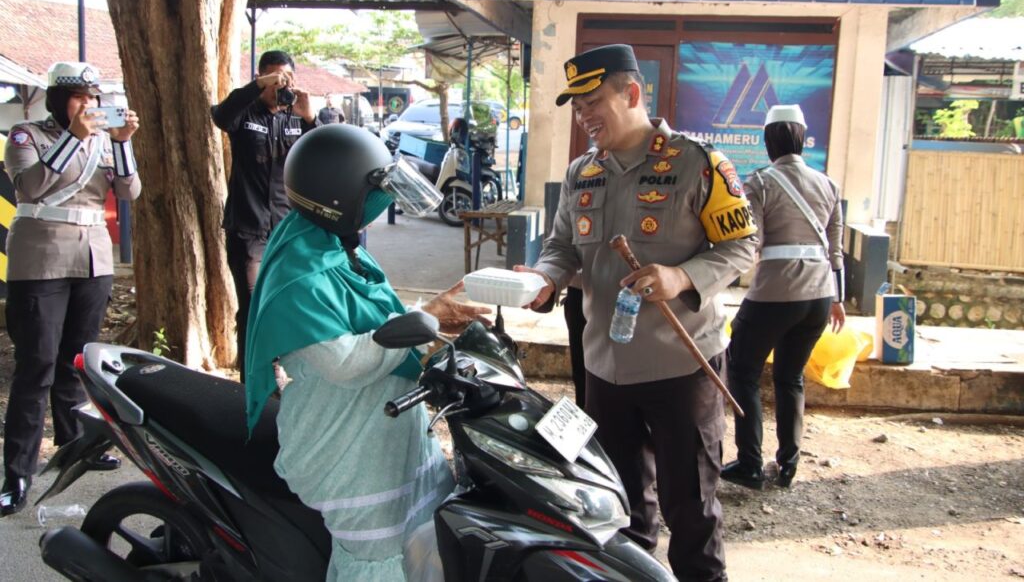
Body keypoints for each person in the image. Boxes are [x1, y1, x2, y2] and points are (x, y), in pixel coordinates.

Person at [516, 44, 758, 581]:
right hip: (605, 368)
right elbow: (561, 247)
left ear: (632, 93)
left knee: (690, 509)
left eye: (593, 102)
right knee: (621, 506)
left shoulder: (698, 162)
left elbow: (742, 245)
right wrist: (544, 276)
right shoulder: (583, 173)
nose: (585, 117)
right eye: (577, 109)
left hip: (682, 366)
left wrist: (680, 277)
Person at [244, 125, 489, 581]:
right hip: (346, 443)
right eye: (373, 196)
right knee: (378, 557)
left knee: (424, 536)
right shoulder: (299, 273)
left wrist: (439, 316)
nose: (379, 209)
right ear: (337, 198)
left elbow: (381, 320)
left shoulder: (339, 245)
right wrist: (428, 316)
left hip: (384, 428)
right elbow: (347, 362)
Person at [1, 62, 141, 516]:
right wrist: (74, 138)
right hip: (40, 259)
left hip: (92, 258)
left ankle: (75, 443)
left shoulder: (105, 138)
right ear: (59, 100)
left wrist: (122, 146)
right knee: (36, 362)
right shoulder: (27, 135)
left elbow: (128, 191)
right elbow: (31, 186)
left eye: (94, 97)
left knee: (77, 360)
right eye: (79, 97)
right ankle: (17, 472)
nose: (89, 106)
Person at [722, 104, 846, 491]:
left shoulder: (759, 182)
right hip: (821, 295)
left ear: (767, 141)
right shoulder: (828, 185)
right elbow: (835, 249)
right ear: (803, 140)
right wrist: (838, 298)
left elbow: (749, 241)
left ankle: (750, 464)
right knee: (790, 377)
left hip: (775, 293)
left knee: (742, 370)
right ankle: (789, 465)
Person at [211, 50, 318, 381]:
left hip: (287, 232)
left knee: (290, 304)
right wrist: (257, 87)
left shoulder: (297, 117)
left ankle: (294, 375)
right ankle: (255, 383)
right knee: (255, 307)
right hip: (249, 230)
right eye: (273, 78)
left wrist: (312, 119)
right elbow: (221, 116)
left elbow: (325, 153)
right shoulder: (245, 114)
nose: (279, 85)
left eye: (285, 77)